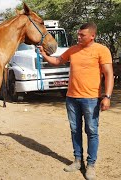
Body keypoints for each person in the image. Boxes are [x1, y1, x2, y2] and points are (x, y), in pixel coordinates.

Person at [38, 22, 114, 180]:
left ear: (92, 36)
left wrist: (107, 96)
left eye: (82, 35)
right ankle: (78, 160)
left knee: (92, 132)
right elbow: (58, 61)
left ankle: (91, 164)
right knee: (75, 130)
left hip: (91, 99)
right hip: (71, 98)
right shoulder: (73, 49)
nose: (78, 37)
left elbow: (108, 74)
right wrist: (44, 55)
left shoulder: (102, 50)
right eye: (78, 34)